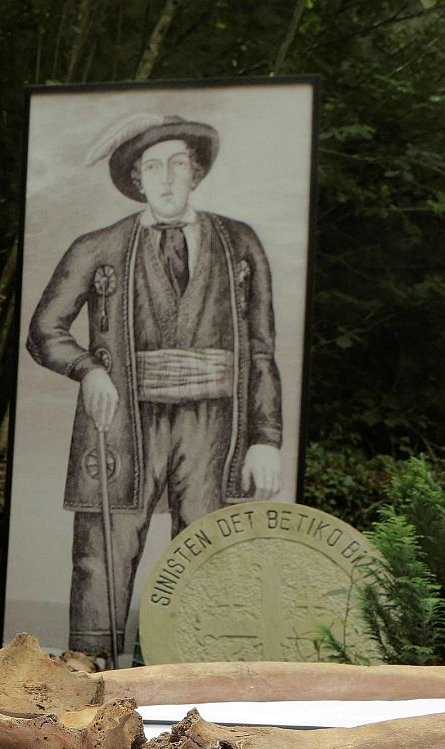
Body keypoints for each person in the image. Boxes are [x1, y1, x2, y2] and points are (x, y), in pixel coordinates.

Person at [26, 113, 282, 662]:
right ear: (138, 179)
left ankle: (183, 673)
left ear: (196, 173)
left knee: (206, 552)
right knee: (104, 556)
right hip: (122, 427)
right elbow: (44, 330)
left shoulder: (239, 244)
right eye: (153, 166)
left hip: (213, 426)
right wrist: (88, 369)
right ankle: (90, 677)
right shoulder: (99, 247)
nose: (167, 179)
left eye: (178, 165)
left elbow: (261, 348)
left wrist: (266, 437)